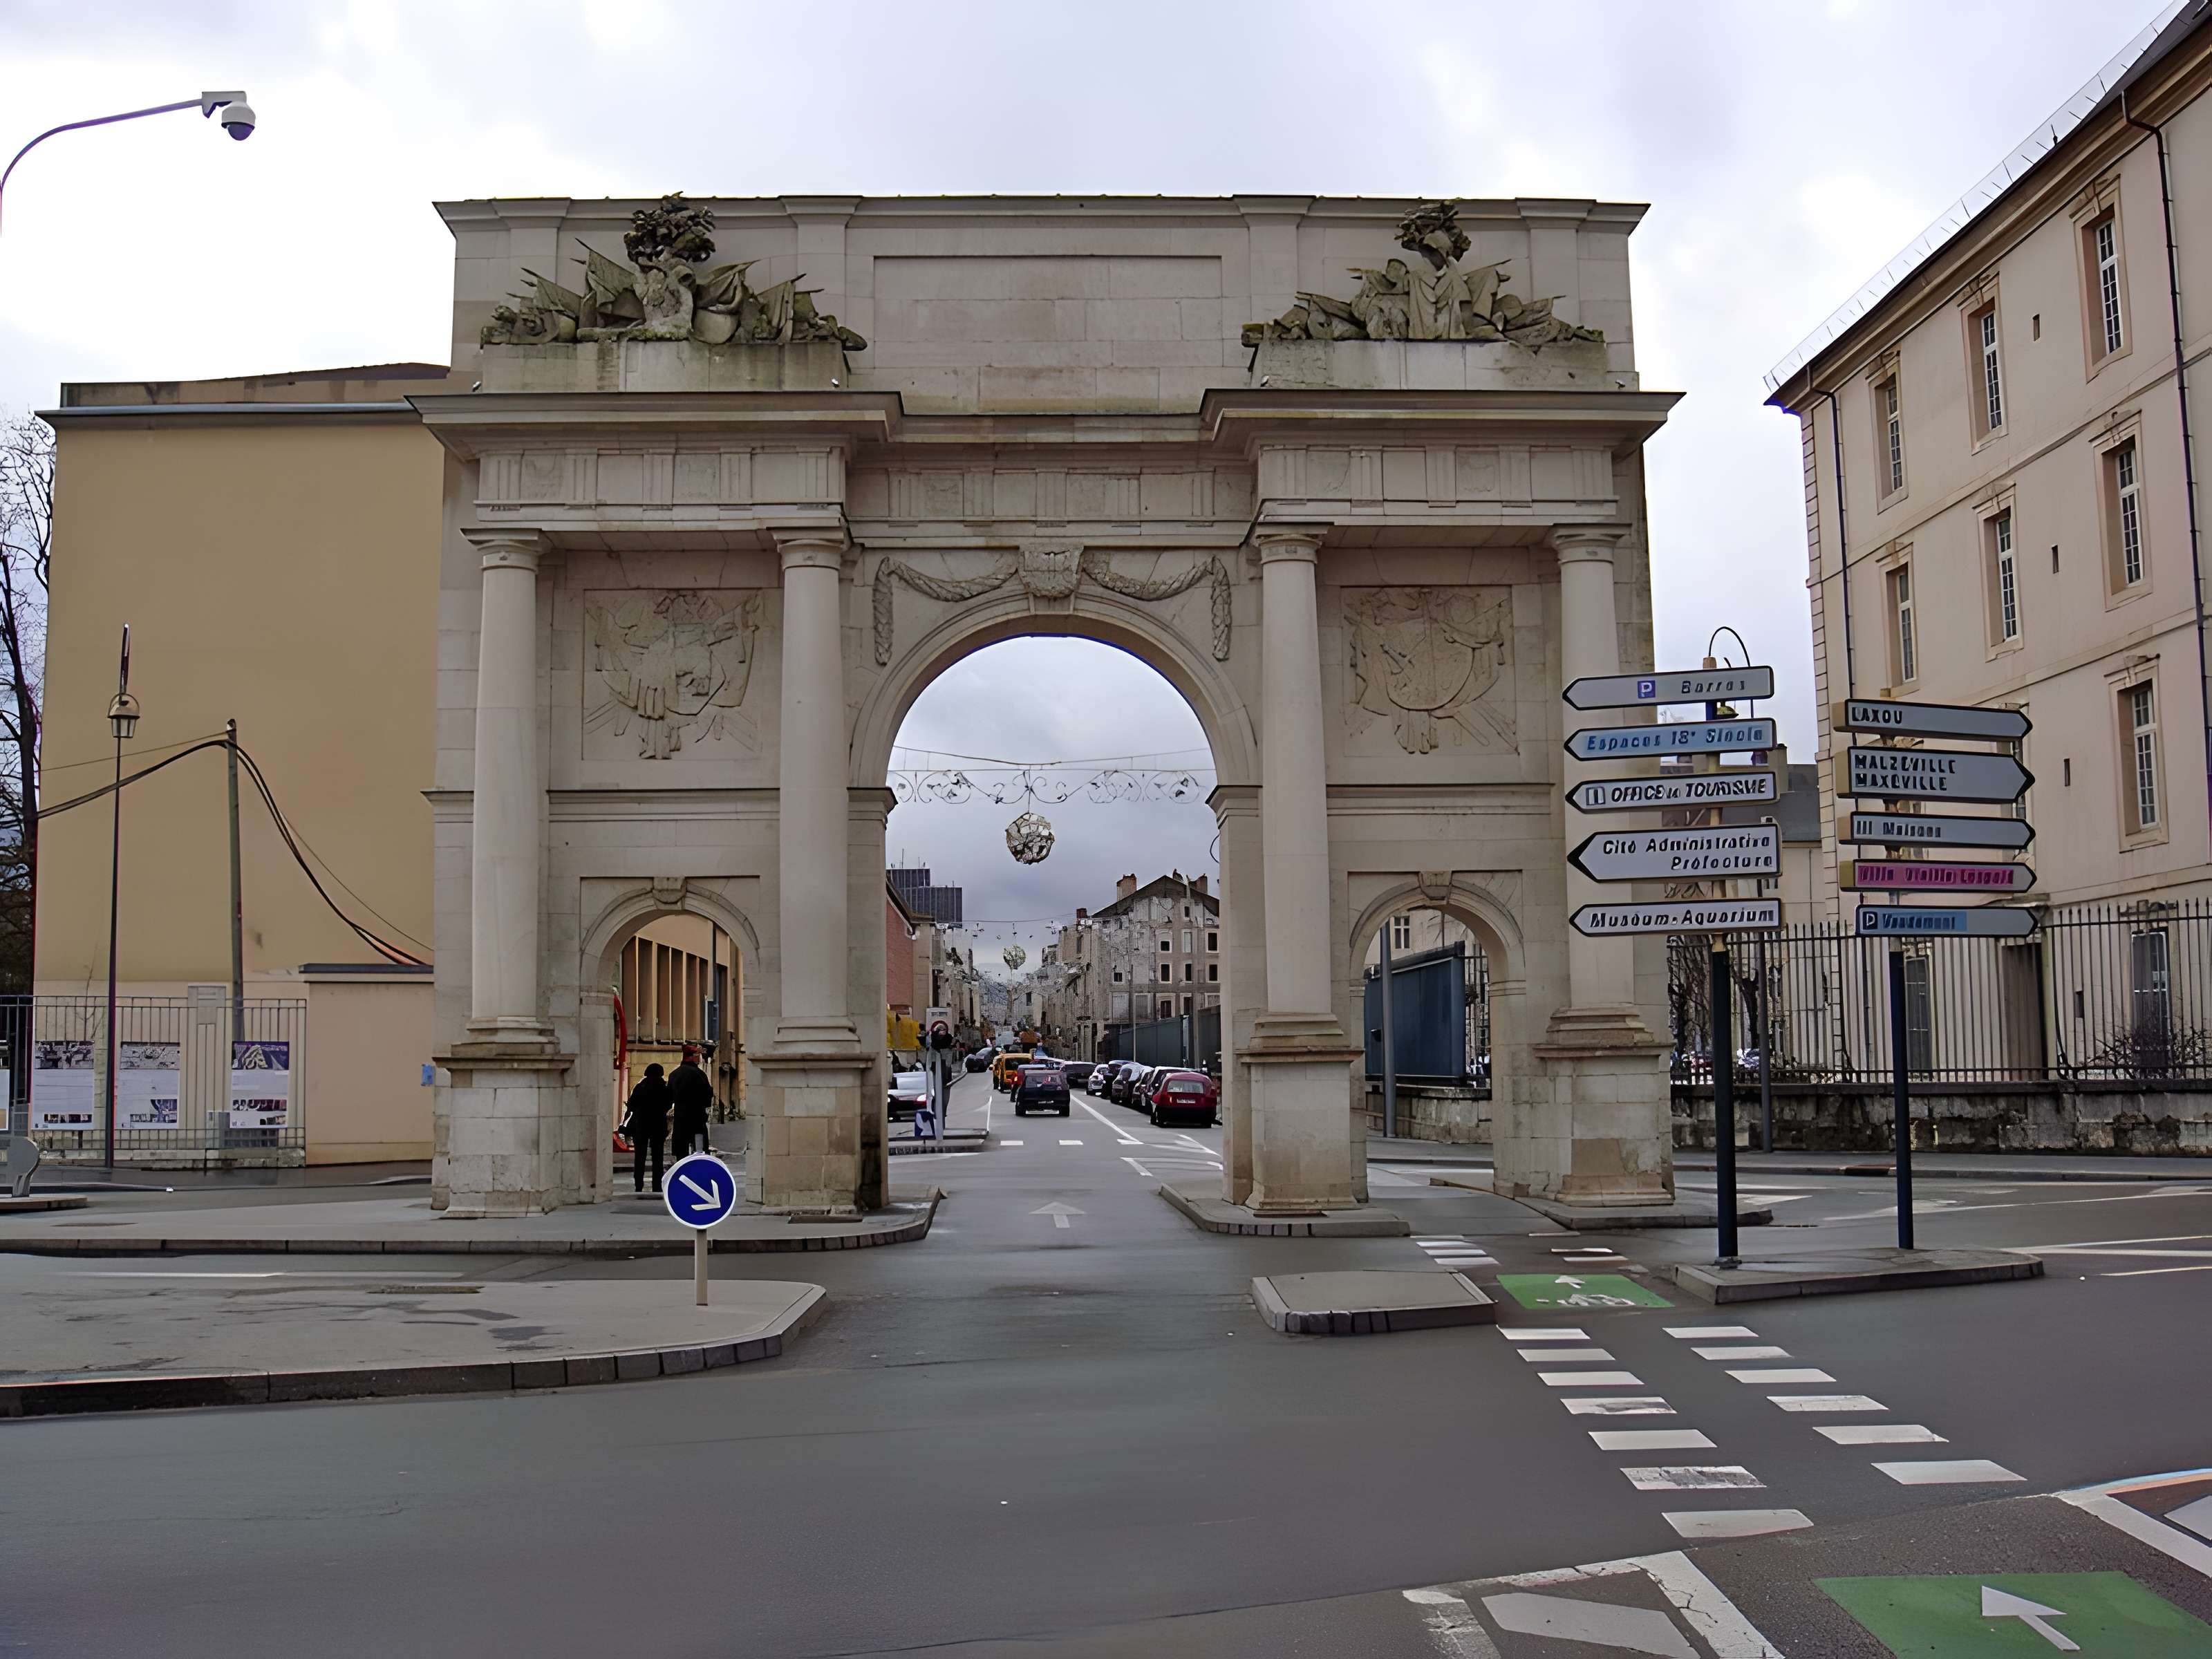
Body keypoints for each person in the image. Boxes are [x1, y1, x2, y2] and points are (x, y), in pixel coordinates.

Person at [624, 1063, 671, 1193]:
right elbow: (668, 1104)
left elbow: (632, 1106)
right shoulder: (664, 1087)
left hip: (641, 1125)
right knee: (658, 1157)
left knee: (640, 1156)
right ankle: (657, 1184)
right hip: (658, 1125)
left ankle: (639, 1183)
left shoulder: (640, 1087)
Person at [669, 1044, 714, 1159]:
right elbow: (708, 1094)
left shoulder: (674, 1075)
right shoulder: (699, 1074)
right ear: (693, 1057)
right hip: (697, 1117)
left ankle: (681, 1169)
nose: (699, 1058)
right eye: (698, 1055)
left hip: (681, 1117)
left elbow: (669, 1096)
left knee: (681, 1152)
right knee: (700, 1149)